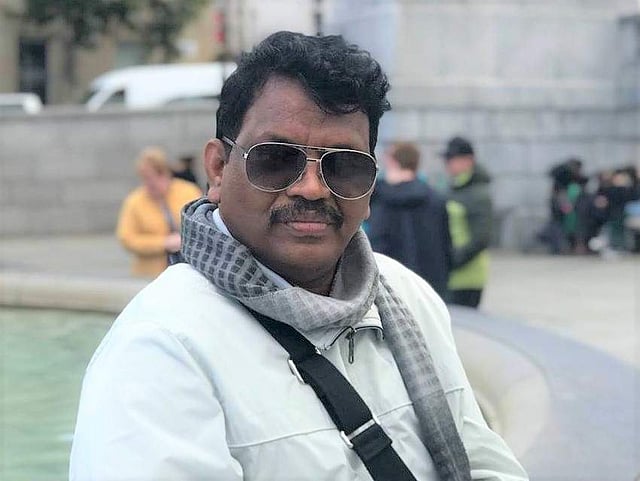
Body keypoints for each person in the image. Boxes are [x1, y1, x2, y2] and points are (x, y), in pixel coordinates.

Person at [70, 32, 527, 480]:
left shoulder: (407, 295)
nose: (311, 188)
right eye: (276, 159)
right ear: (218, 169)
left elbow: (483, 461)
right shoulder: (162, 347)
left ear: (370, 186)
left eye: (343, 165)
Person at [368, 141, 452, 300]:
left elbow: (376, 241)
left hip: (389, 285)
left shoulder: (379, 199)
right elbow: (446, 247)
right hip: (430, 287)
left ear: (392, 162)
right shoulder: (436, 199)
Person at [116, 146, 202, 277]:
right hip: (151, 273)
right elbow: (127, 238)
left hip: (191, 268)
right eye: (145, 178)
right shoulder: (134, 201)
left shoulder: (189, 191)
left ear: (166, 173)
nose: (150, 183)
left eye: (154, 177)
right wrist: (163, 243)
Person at [442, 136, 493, 308]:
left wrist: (452, 260)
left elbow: (481, 238)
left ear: (468, 160)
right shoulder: (454, 188)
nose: (448, 163)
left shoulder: (478, 194)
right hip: (451, 275)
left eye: (452, 159)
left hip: (468, 278)